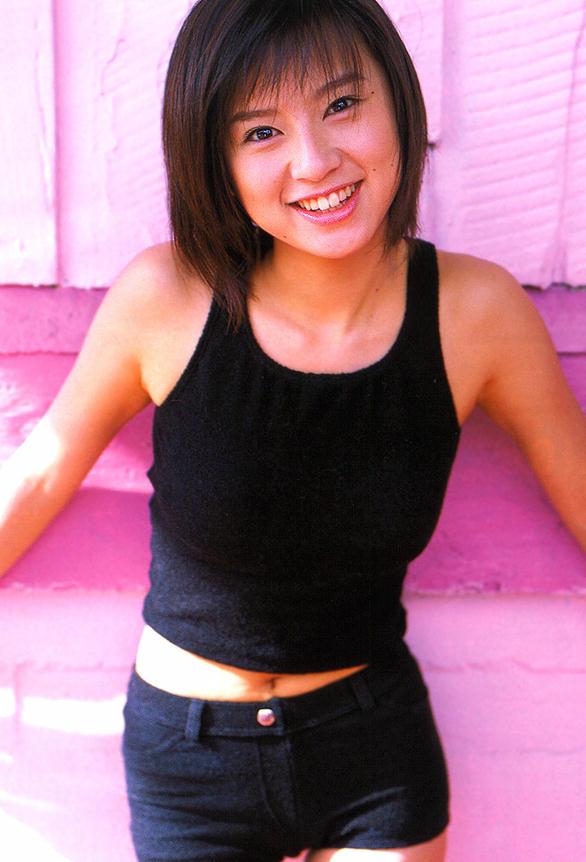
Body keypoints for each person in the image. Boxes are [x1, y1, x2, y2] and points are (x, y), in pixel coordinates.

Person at [1, 0, 585, 859]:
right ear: (217, 161)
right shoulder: (168, 298)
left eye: (342, 104)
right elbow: (45, 466)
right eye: (261, 132)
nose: (315, 161)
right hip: (192, 760)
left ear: (399, 101)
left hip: (373, 747)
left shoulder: (477, 314)